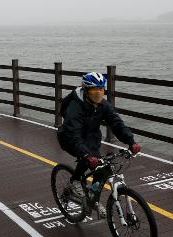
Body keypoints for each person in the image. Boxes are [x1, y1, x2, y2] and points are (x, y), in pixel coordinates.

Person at [57, 72, 141, 217]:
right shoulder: (75, 106)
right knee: (89, 157)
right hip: (69, 138)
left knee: (101, 166)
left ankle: (92, 199)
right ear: (86, 90)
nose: (98, 93)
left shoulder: (103, 104)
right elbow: (74, 135)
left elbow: (116, 123)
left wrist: (131, 141)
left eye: (101, 90)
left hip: (91, 137)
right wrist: (86, 154)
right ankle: (74, 181)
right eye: (94, 90)